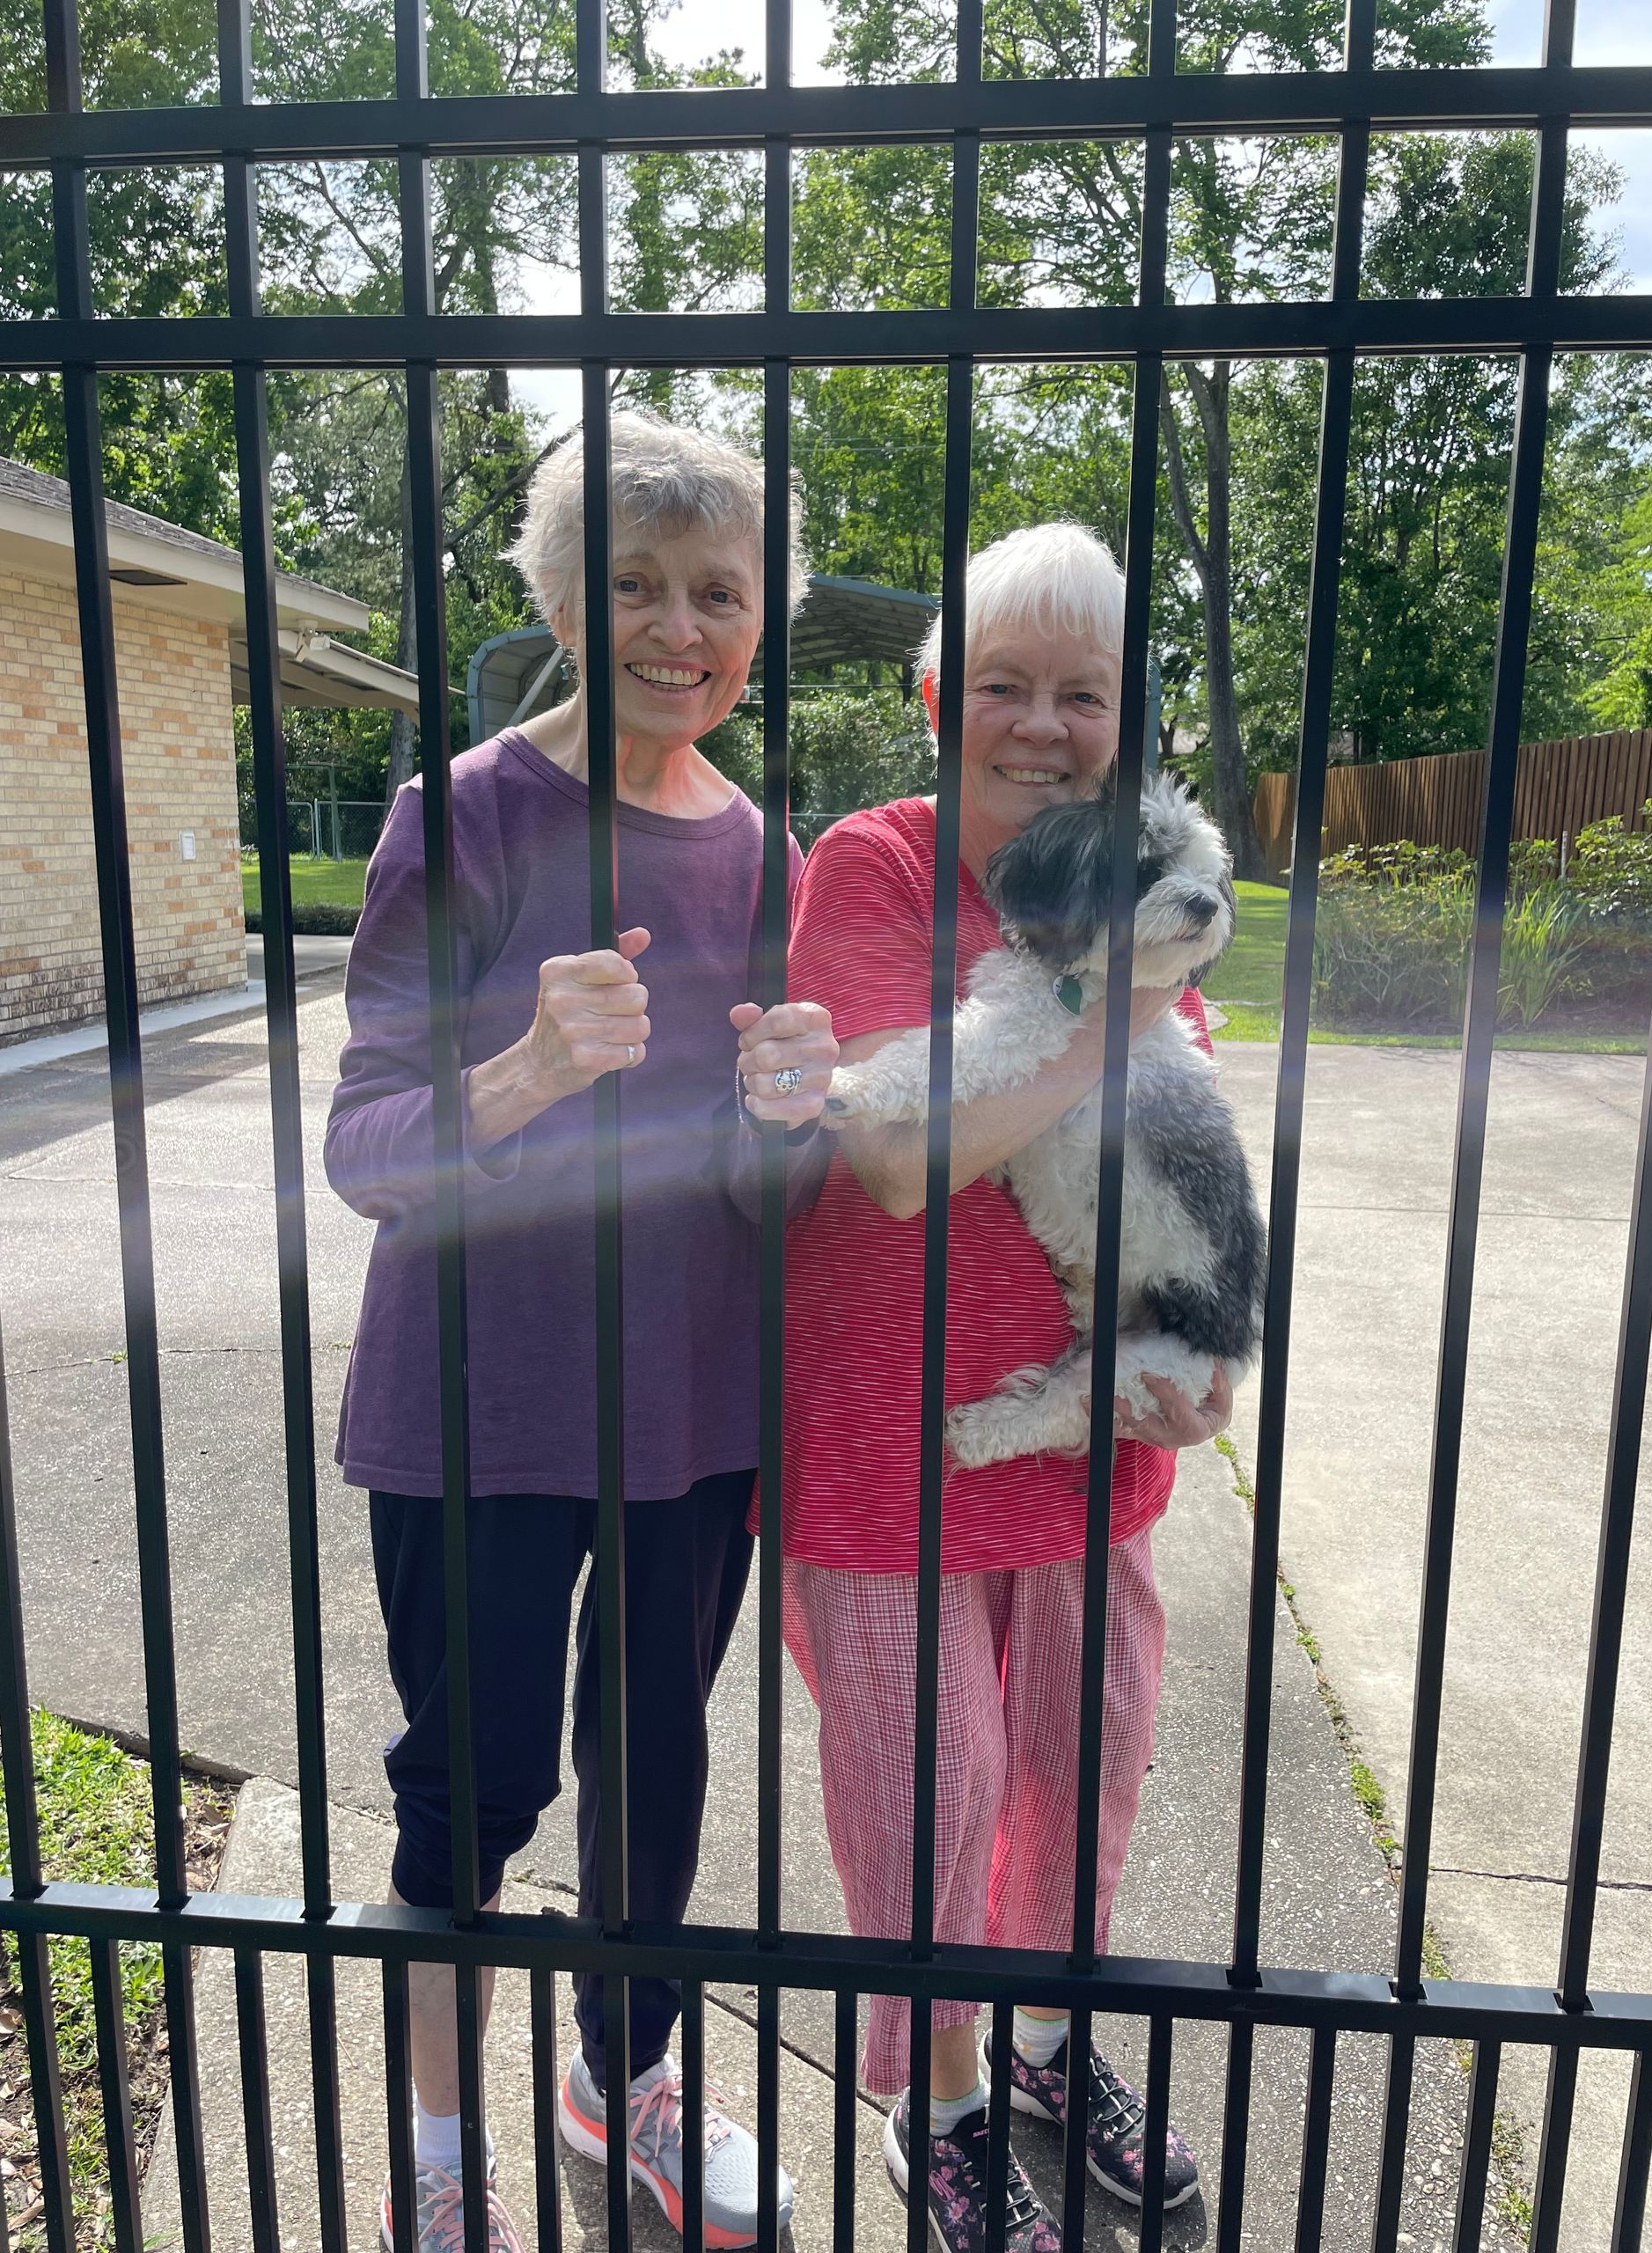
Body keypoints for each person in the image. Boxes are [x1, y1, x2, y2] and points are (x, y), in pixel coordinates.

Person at [326, 413, 838, 2253]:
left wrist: (790, 1119)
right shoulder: (455, 812)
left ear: (759, 618)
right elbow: (363, 1148)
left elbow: (761, 1198)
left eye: (716, 590)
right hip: (475, 1405)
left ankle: (623, 2081)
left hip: (696, 1409)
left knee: (659, 1774)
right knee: (471, 1789)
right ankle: (444, 2148)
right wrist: (532, 1063)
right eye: (630, 582)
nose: (676, 625)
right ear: (555, 598)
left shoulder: (769, 849)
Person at [775, 523, 1227, 2253]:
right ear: (932, 692)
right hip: (883, 1425)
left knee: (1083, 1750)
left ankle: (1045, 2042)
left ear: (1124, 717)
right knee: (933, 1779)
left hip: (1082, 1423)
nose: (1043, 724)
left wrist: (1203, 1346)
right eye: (1005, 685)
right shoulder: (877, 868)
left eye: (1083, 694)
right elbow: (895, 1159)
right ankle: (941, 2098)